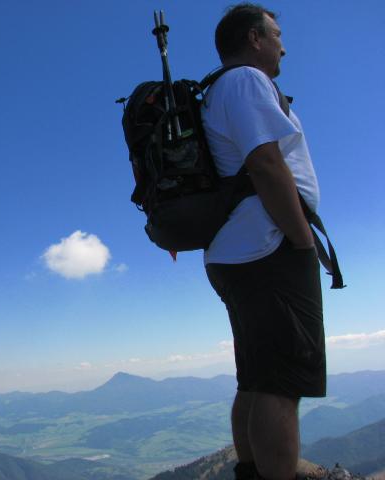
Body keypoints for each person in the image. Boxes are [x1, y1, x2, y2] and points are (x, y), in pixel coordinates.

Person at [201, 4, 326, 480]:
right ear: (254, 38)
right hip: (268, 246)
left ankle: (252, 474)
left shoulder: (219, 90)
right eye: (276, 35)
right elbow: (266, 164)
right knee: (282, 382)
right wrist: (302, 240)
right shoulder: (245, 81)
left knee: (256, 377)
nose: (283, 46)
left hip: (238, 250)